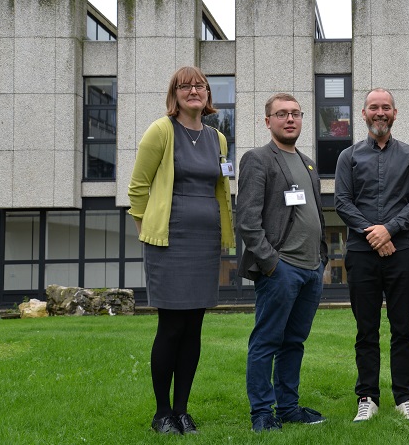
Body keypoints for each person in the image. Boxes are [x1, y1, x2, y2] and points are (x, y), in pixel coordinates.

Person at [128, 66, 235, 435]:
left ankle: (182, 411)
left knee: (194, 328)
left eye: (200, 85)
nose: (194, 91)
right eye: (185, 86)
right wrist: (147, 232)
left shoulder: (218, 139)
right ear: (174, 94)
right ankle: (161, 414)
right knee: (171, 327)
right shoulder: (161, 130)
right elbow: (138, 188)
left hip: (205, 243)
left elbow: (221, 187)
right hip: (168, 243)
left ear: (208, 95)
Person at [236, 93, 328, 433]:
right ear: (268, 121)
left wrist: (321, 260)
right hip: (281, 269)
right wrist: (272, 263)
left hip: (311, 269)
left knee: (294, 342)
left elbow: (314, 213)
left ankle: (288, 408)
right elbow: (247, 220)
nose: (289, 120)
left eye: (295, 114)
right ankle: (262, 412)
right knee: (266, 341)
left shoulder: (307, 163)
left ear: (302, 119)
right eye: (281, 114)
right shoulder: (258, 159)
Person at [334, 88, 409, 423]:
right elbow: (342, 201)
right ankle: (367, 397)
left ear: (395, 113)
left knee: (403, 328)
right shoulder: (349, 156)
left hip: (401, 252)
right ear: (363, 114)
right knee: (366, 330)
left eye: (385, 107)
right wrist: (374, 234)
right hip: (361, 253)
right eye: (373, 107)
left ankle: (404, 397)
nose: (380, 112)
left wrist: (389, 230)